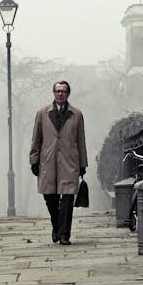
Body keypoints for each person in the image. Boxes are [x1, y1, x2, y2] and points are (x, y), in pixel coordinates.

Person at [29, 80, 87, 245]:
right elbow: (36, 139)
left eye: (63, 91)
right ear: (53, 93)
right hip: (48, 162)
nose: (60, 94)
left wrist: (82, 163)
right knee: (50, 198)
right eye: (57, 91)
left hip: (70, 162)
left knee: (68, 199)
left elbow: (81, 140)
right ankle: (56, 227)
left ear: (68, 94)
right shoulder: (42, 113)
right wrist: (34, 159)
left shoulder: (76, 114)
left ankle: (64, 235)